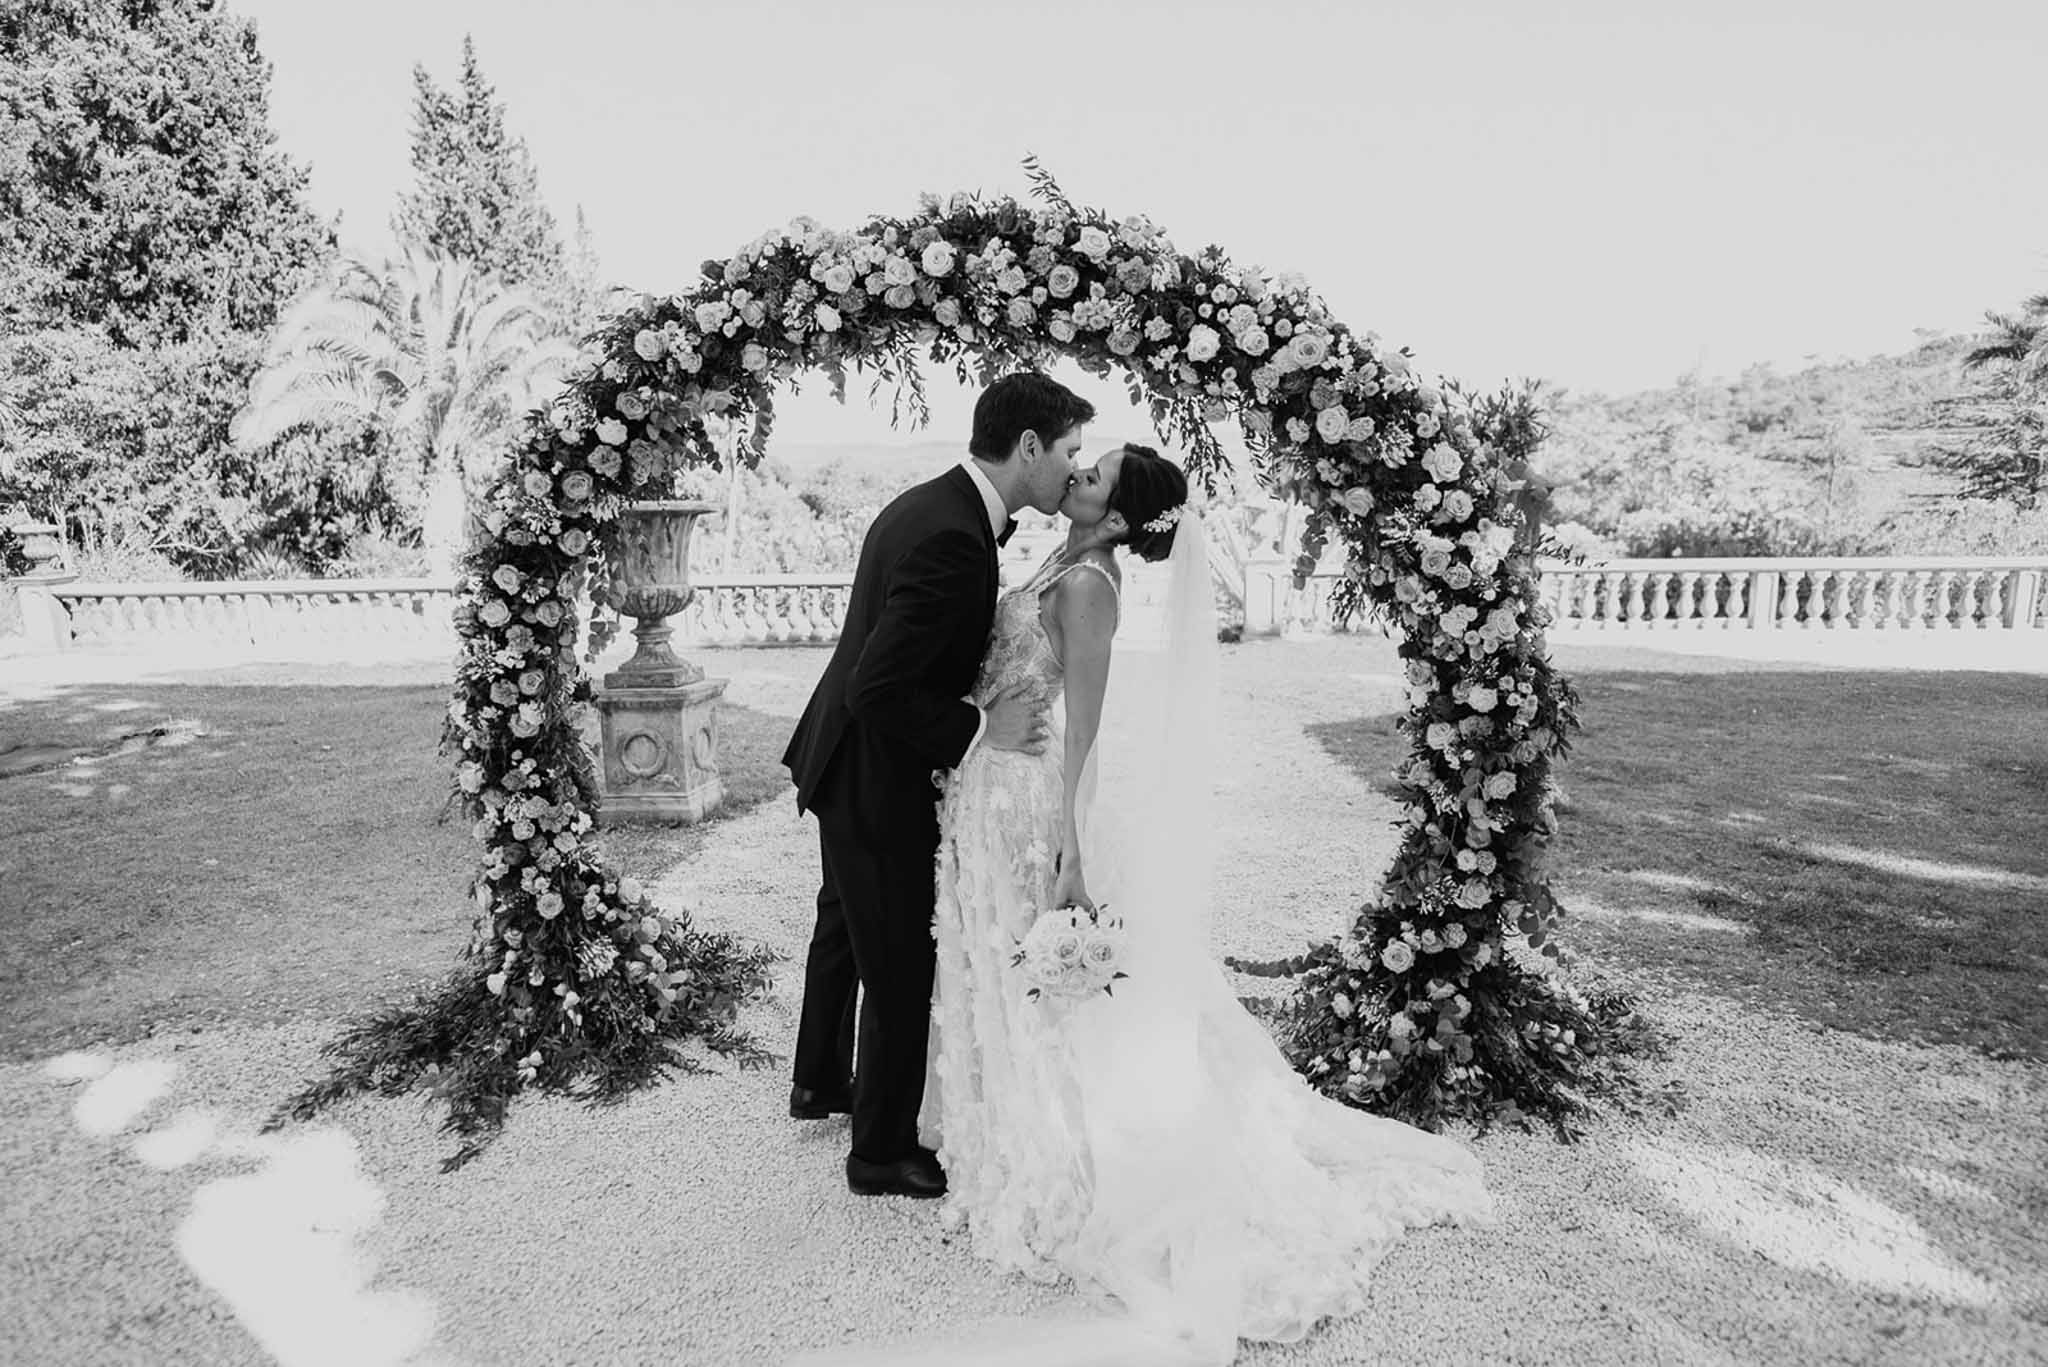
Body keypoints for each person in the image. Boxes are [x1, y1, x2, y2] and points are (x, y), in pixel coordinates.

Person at [908, 441, 1495, 1364]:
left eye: (1092, 474)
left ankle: (1062, 1158)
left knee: (1041, 985)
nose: (1076, 475)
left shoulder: (1090, 585)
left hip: (1029, 799)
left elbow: (1088, 732)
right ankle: (1005, 1120)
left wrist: (1069, 851)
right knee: (995, 960)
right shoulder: (1060, 556)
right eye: (1081, 463)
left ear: (1118, 515)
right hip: (992, 780)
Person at [781, 372, 1092, 1199]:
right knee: (898, 960)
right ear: (1028, 446)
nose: (1073, 469)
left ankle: (818, 1080)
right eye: (1070, 451)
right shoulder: (954, 536)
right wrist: (980, 726)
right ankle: (878, 1150)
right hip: (873, 771)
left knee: (844, 923)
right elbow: (877, 688)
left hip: (838, 757)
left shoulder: (930, 503)